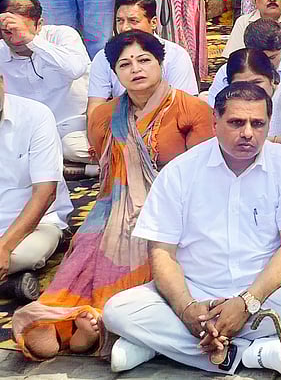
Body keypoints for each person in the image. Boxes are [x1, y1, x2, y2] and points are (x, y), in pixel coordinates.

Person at [13, 30, 212, 360]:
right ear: (116, 73)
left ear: (160, 64)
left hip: (176, 209)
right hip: (112, 208)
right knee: (86, 247)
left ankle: (100, 322)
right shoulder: (105, 116)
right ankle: (66, 321)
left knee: (146, 245)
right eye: (125, 64)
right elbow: (109, 179)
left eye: (144, 60)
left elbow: (202, 179)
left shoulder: (191, 110)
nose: (135, 68)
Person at [101, 83, 281, 375]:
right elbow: (162, 252)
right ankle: (246, 354)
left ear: (268, 124)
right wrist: (186, 308)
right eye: (236, 122)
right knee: (118, 310)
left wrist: (246, 302)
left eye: (257, 123)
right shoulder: (180, 172)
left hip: (262, 290)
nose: (248, 133)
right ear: (215, 122)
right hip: (196, 291)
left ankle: (158, 344)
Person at [0, 75, 72, 305]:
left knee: (24, 254)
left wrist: (4, 246)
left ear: (2, 82)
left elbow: (45, 193)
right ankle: (9, 285)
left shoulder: (35, 115)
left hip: (35, 225)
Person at [0, 0, 91, 164]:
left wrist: (31, 40)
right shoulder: (1, 50)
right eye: (8, 31)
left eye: (21, 30)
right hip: (28, 133)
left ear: (39, 24)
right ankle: (80, 170)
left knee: (71, 148)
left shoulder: (62, 34)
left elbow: (76, 69)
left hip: (72, 127)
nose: (15, 37)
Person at [87, 0, 198, 116]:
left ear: (154, 23)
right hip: (121, 124)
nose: (124, 28)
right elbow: (95, 106)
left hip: (169, 122)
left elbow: (185, 106)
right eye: (120, 21)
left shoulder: (176, 55)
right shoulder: (103, 57)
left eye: (133, 21)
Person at [208, 17, 281, 104]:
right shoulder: (229, 71)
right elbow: (213, 111)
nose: (267, 63)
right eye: (260, 58)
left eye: (272, 58)